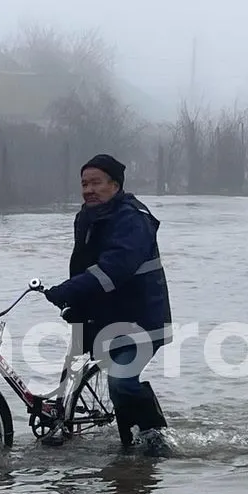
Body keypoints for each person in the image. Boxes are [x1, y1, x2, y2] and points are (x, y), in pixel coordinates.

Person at [43, 154, 173, 448]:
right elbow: (83, 265)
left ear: (115, 185)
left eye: (96, 183)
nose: (88, 189)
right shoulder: (86, 218)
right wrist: (75, 303)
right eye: (84, 183)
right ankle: (123, 446)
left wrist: (69, 289)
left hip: (140, 320)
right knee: (74, 372)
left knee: (121, 381)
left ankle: (156, 441)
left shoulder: (133, 220)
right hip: (101, 316)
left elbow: (114, 268)